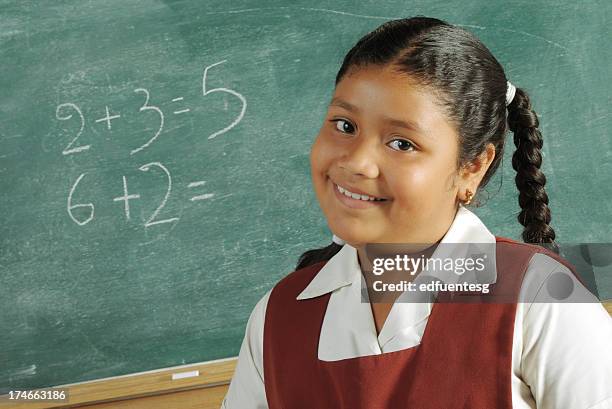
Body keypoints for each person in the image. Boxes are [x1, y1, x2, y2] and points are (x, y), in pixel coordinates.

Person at [221, 16, 612, 408]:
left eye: (402, 143)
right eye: (345, 125)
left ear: (471, 167)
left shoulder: (541, 300)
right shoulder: (279, 317)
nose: (357, 162)